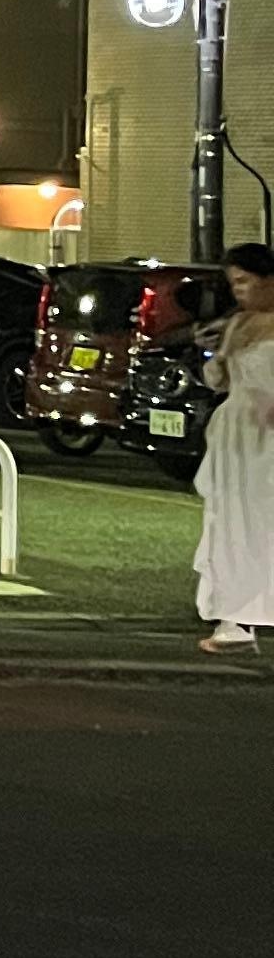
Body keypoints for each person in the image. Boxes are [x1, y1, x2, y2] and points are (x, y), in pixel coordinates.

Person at [190, 241, 274, 653]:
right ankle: (235, 618)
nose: (238, 290)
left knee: (266, 521)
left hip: (268, 435)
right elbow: (218, 380)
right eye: (233, 283)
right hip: (236, 432)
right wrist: (217, 355)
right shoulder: (239, 323)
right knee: (232, 524)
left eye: (245, 281)